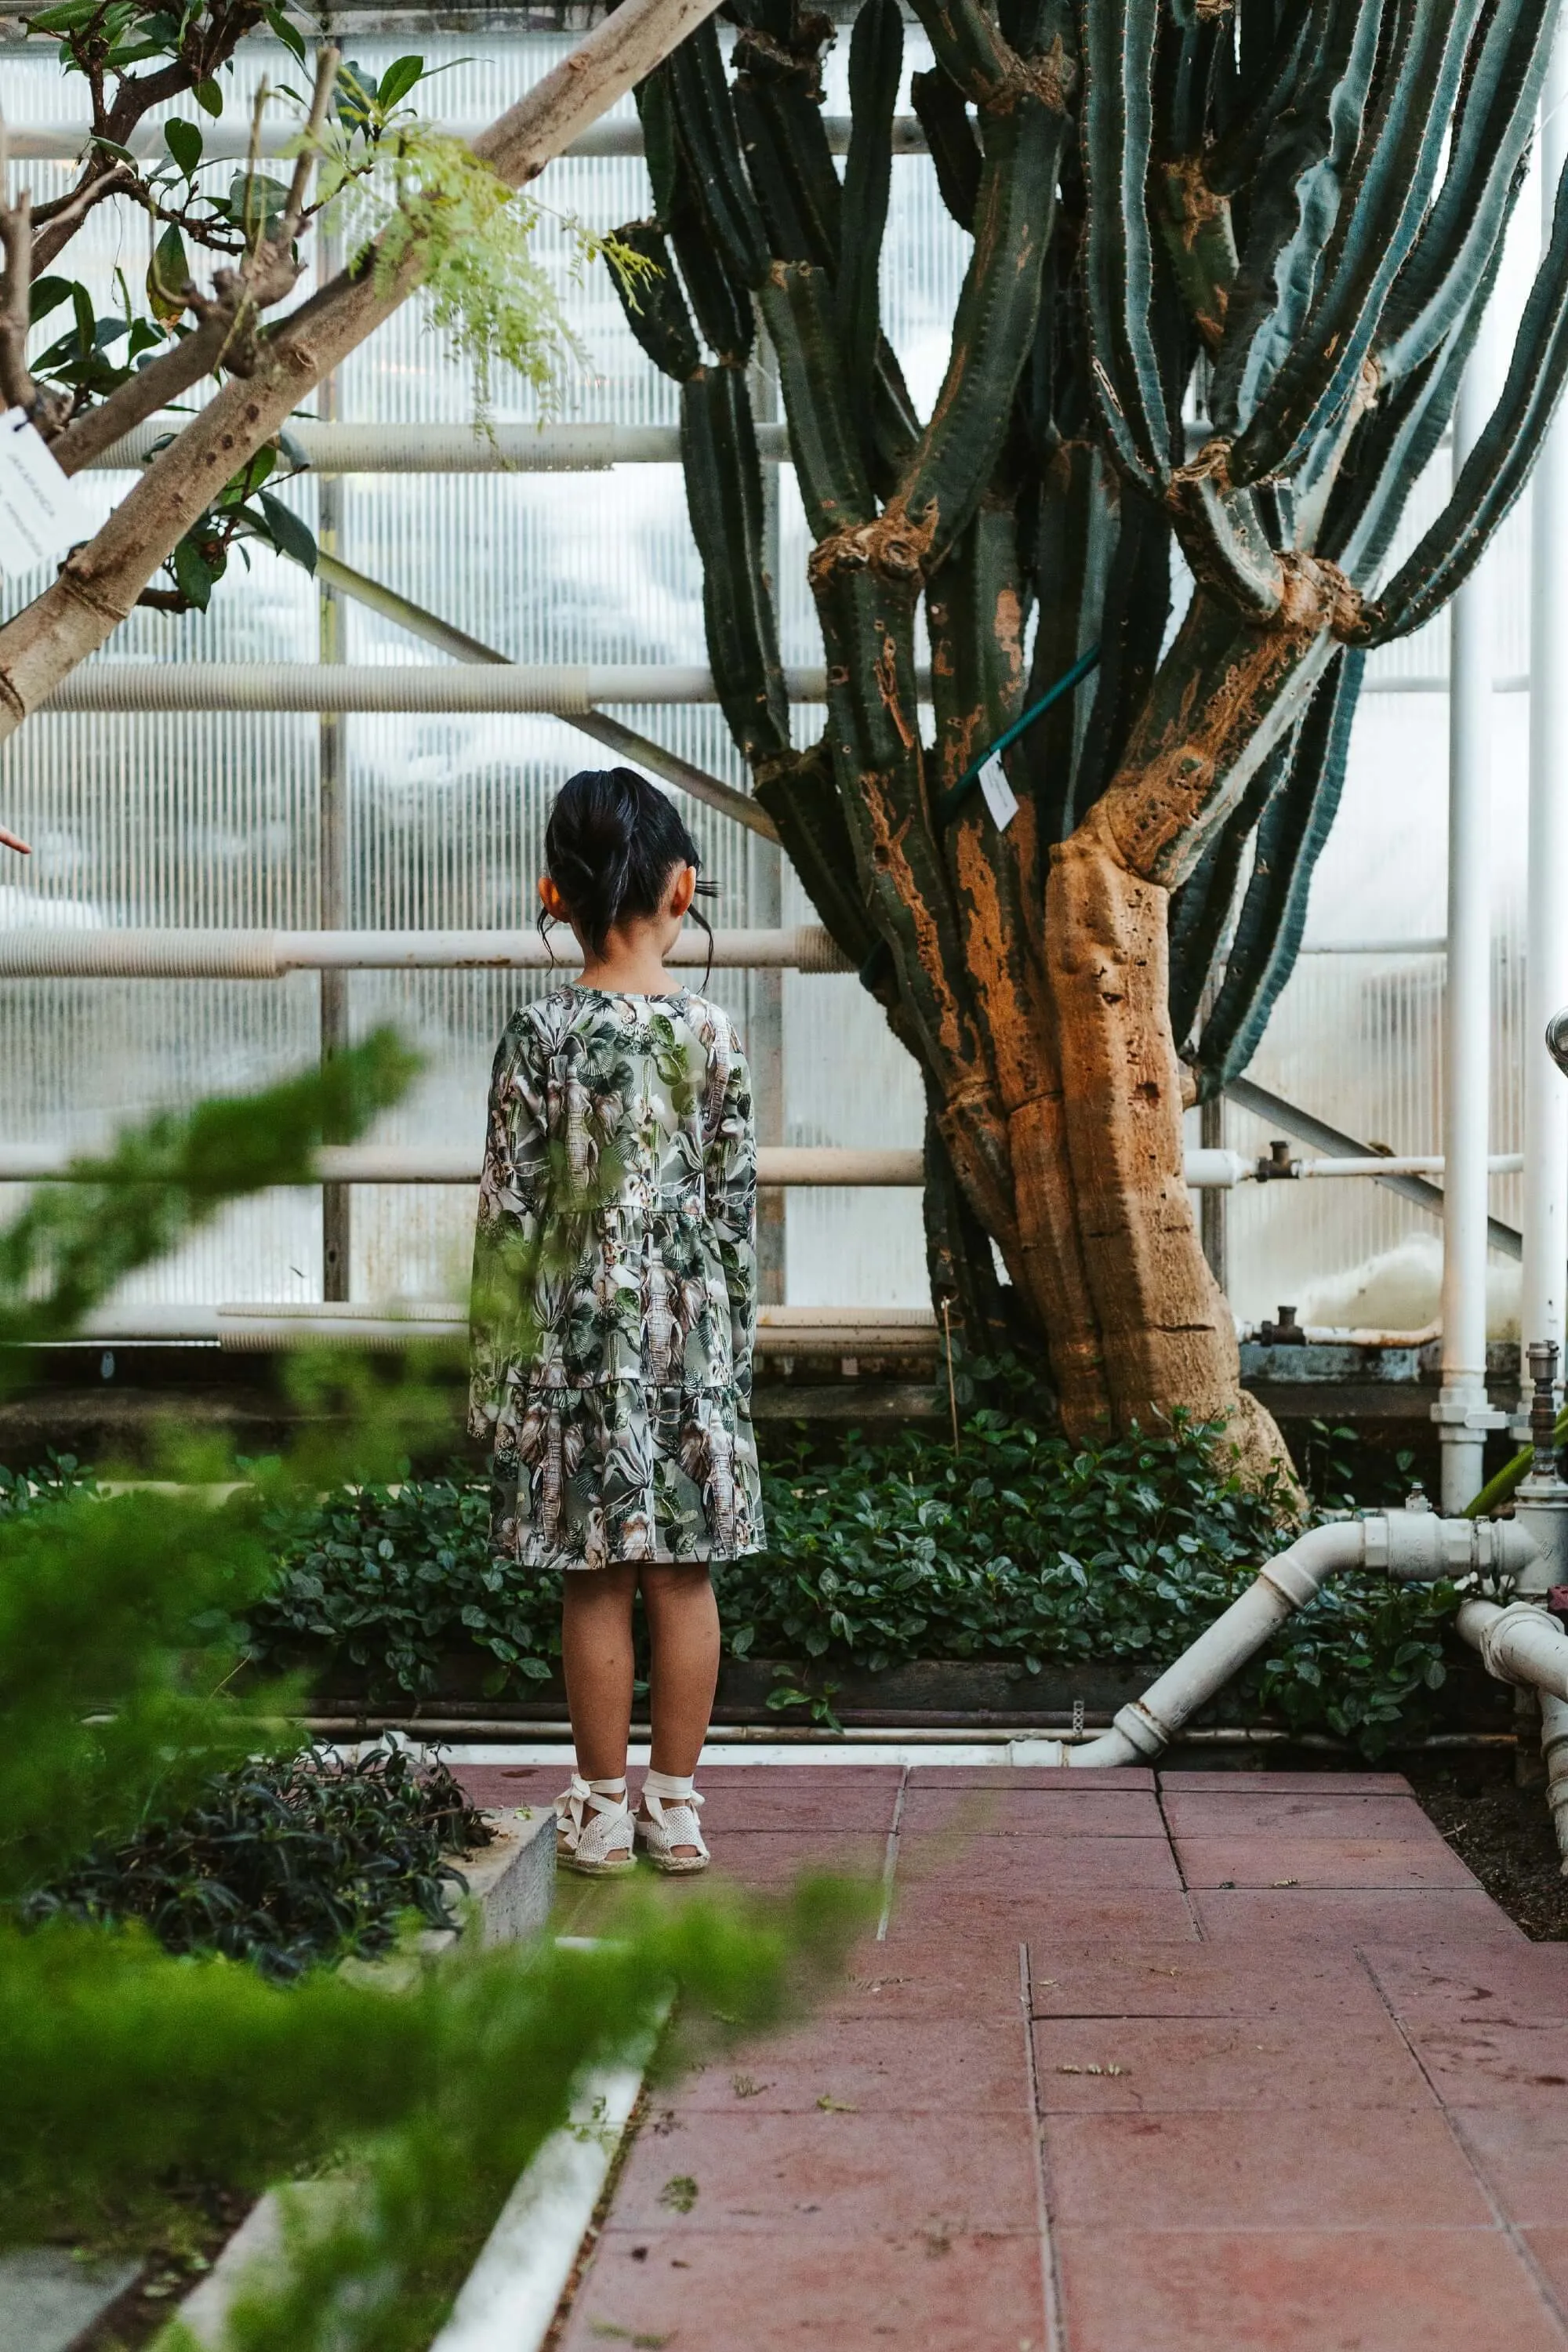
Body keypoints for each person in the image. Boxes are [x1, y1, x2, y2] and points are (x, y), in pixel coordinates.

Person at [468, 768, 764, 1877]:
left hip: (571, 1340)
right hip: (689, 1342)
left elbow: (507, 1212)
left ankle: (598, 1806)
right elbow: (735, 1206)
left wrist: (494, 1373)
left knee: (594, 1577)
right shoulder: (713, 1035)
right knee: (685, 1576)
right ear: (683, 888)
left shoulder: (537, 1036)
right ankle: (674, 1806)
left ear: (556, 894)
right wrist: (736, 1355)